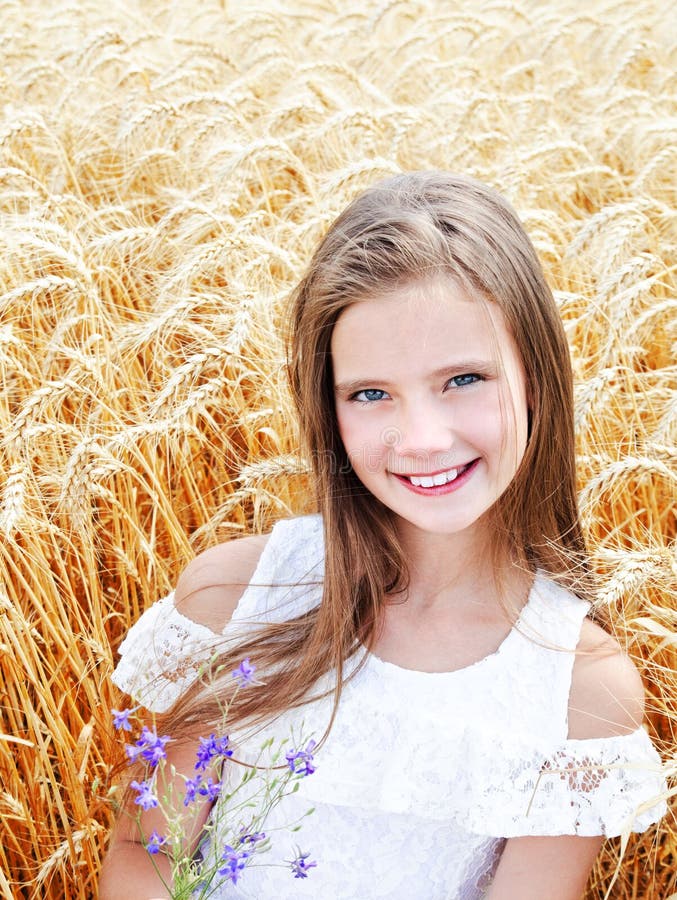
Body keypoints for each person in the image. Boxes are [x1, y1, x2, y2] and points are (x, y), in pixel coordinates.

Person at [100, 172, 666, 899]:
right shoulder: (237, 597)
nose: (423, 439)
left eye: (463, 379)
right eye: (370, 394)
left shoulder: (574, 687)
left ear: (535, 379)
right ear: (327, 409)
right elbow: (146, 857)